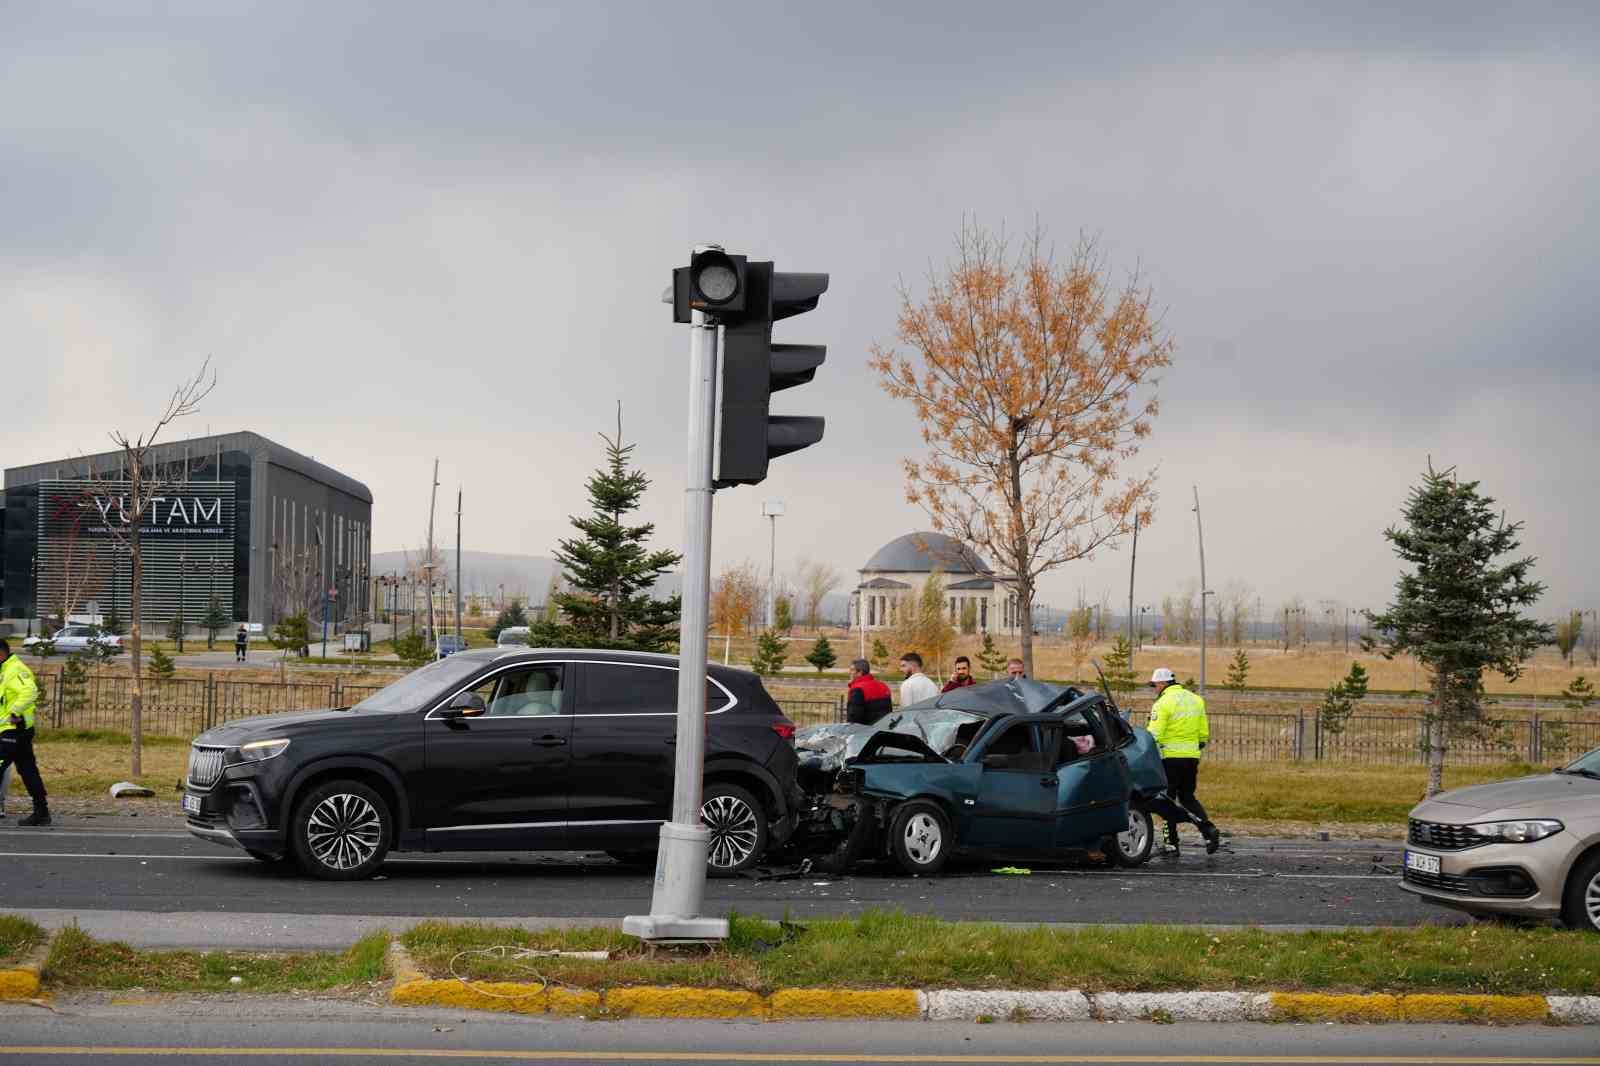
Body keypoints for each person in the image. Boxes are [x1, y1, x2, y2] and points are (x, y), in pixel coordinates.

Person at [1146, 667, 1220, 854]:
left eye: (1154, 685)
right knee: (1188, 798)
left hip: (1169, 758)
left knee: (1166, 801)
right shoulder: (1196, 700)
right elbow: (1203, 733)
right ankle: (1208, 831)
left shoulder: (1162, 703)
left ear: (1162, 684)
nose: (1154, 688)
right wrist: (1195, 747)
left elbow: (1154, 734)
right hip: (1191, 757)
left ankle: (1171, 844)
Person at [0, 639, 49, 826]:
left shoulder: (15, 669)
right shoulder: (5, 670)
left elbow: (30, 690)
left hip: (14, 730)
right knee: (28, 770)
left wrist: (15, 712)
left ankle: (42, 811)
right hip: (12, 731)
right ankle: (41, 811)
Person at [844, 659, 893, 725]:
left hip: (865, 732)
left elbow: (854, 718)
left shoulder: (857, 689)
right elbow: (889, 711)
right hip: (883, 729)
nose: (849, 672)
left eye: (852, 670)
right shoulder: (883, 685)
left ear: (860, 672)